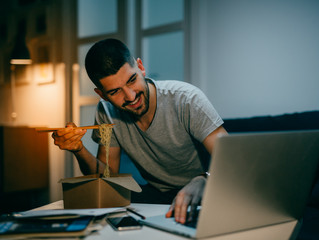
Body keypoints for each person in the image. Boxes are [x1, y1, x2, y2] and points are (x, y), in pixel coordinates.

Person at [52, 38, 227, 224]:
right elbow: (106, 179)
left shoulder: (187, 99)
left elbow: (233, 165)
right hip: (156, 196)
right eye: (115, 92)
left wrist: (204, 180)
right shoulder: (107, 112)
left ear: (141, 67)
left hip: (207, 193)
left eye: (132, 80)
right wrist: (78, 149)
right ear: (101, 94)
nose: (131, 96)